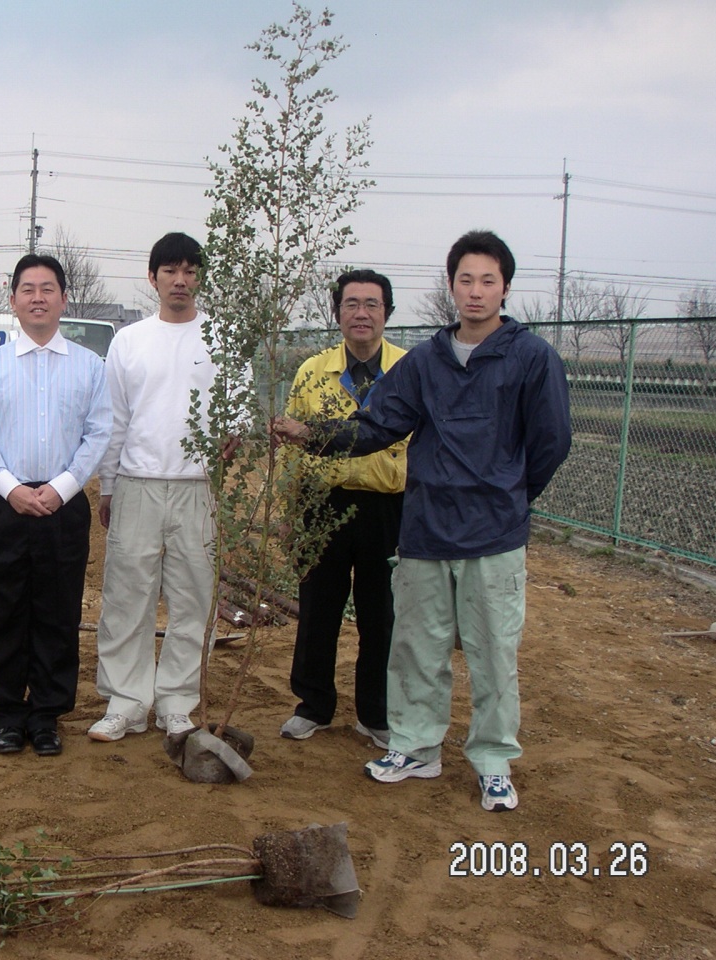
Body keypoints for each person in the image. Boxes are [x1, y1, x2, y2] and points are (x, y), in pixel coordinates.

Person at [271, 230, 571, 812]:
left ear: (505, 287)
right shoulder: (426, 362)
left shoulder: (532, 359)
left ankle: (492, 759)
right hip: (425, 530)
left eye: (488, 280)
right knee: (417, 647)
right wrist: (313, 434)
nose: (475, 292)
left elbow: (550, 442)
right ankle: (415, 746)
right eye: (465, 280)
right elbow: (377, 425)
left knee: (491, 654)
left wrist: (508, 494)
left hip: (494, 535)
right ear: (451, 285)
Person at [0, 254, 111, 757]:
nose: (38, 297)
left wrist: (63, 487)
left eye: (49, 288)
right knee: (2, 610)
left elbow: (98, 433)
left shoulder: (89, 367)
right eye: (29, 289)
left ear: (64, 300)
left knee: (57, 611)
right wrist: (11, 488)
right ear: (14, 301)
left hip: (62, 508)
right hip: (6, 505)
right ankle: (8, 712)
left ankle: (46, 715)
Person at [88, 232, 229, 743]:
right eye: (170, 271)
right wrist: (109, 485)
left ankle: (176, 701)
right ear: (153, 278)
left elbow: (236, 415)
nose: (181, 280)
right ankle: (126, 701)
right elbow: (114, 420)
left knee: (193, 597)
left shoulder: (223, 338)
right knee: (128, 596)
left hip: (198, 486)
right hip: (138, 484)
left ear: (200, 277)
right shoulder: (129, 341)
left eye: (190, 271)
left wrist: (229, 447)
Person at [278, 269, 407, 748]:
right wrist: (291, 511)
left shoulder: (409, 370)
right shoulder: (312, 371)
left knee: (383, 614)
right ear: (337, 313)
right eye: (352, 304)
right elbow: (291, 445)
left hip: (388, 507)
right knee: (318, 609)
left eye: (372, 304)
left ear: (387, 313)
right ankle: (313, 706)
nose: (362, 313)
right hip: (322, 503)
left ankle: (377, 713)